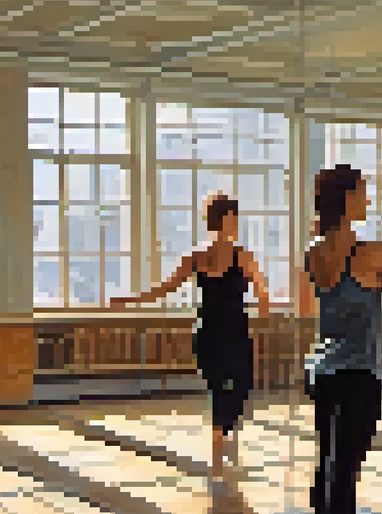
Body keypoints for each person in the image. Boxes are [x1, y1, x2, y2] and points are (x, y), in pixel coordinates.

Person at [110, 193, 272, 474]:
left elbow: (164, 289)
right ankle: (222, 438)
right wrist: (129, 300)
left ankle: (222, 434)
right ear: (227, 218)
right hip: (227, 330)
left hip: (215, 330)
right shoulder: (226, 256)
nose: (237, 223)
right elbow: (261, 292)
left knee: (230, 384)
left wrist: (130, 300)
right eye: (235, 217)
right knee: (233, 384)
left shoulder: (213, 256)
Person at [299, 165, 382, 514]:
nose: (368, 199)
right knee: (347, 467)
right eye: (362, 192)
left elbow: (316, 308)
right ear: (346, 199)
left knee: (327, 461)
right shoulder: (378, 253)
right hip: (359, 371)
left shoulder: (313, 253)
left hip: (322, 369)